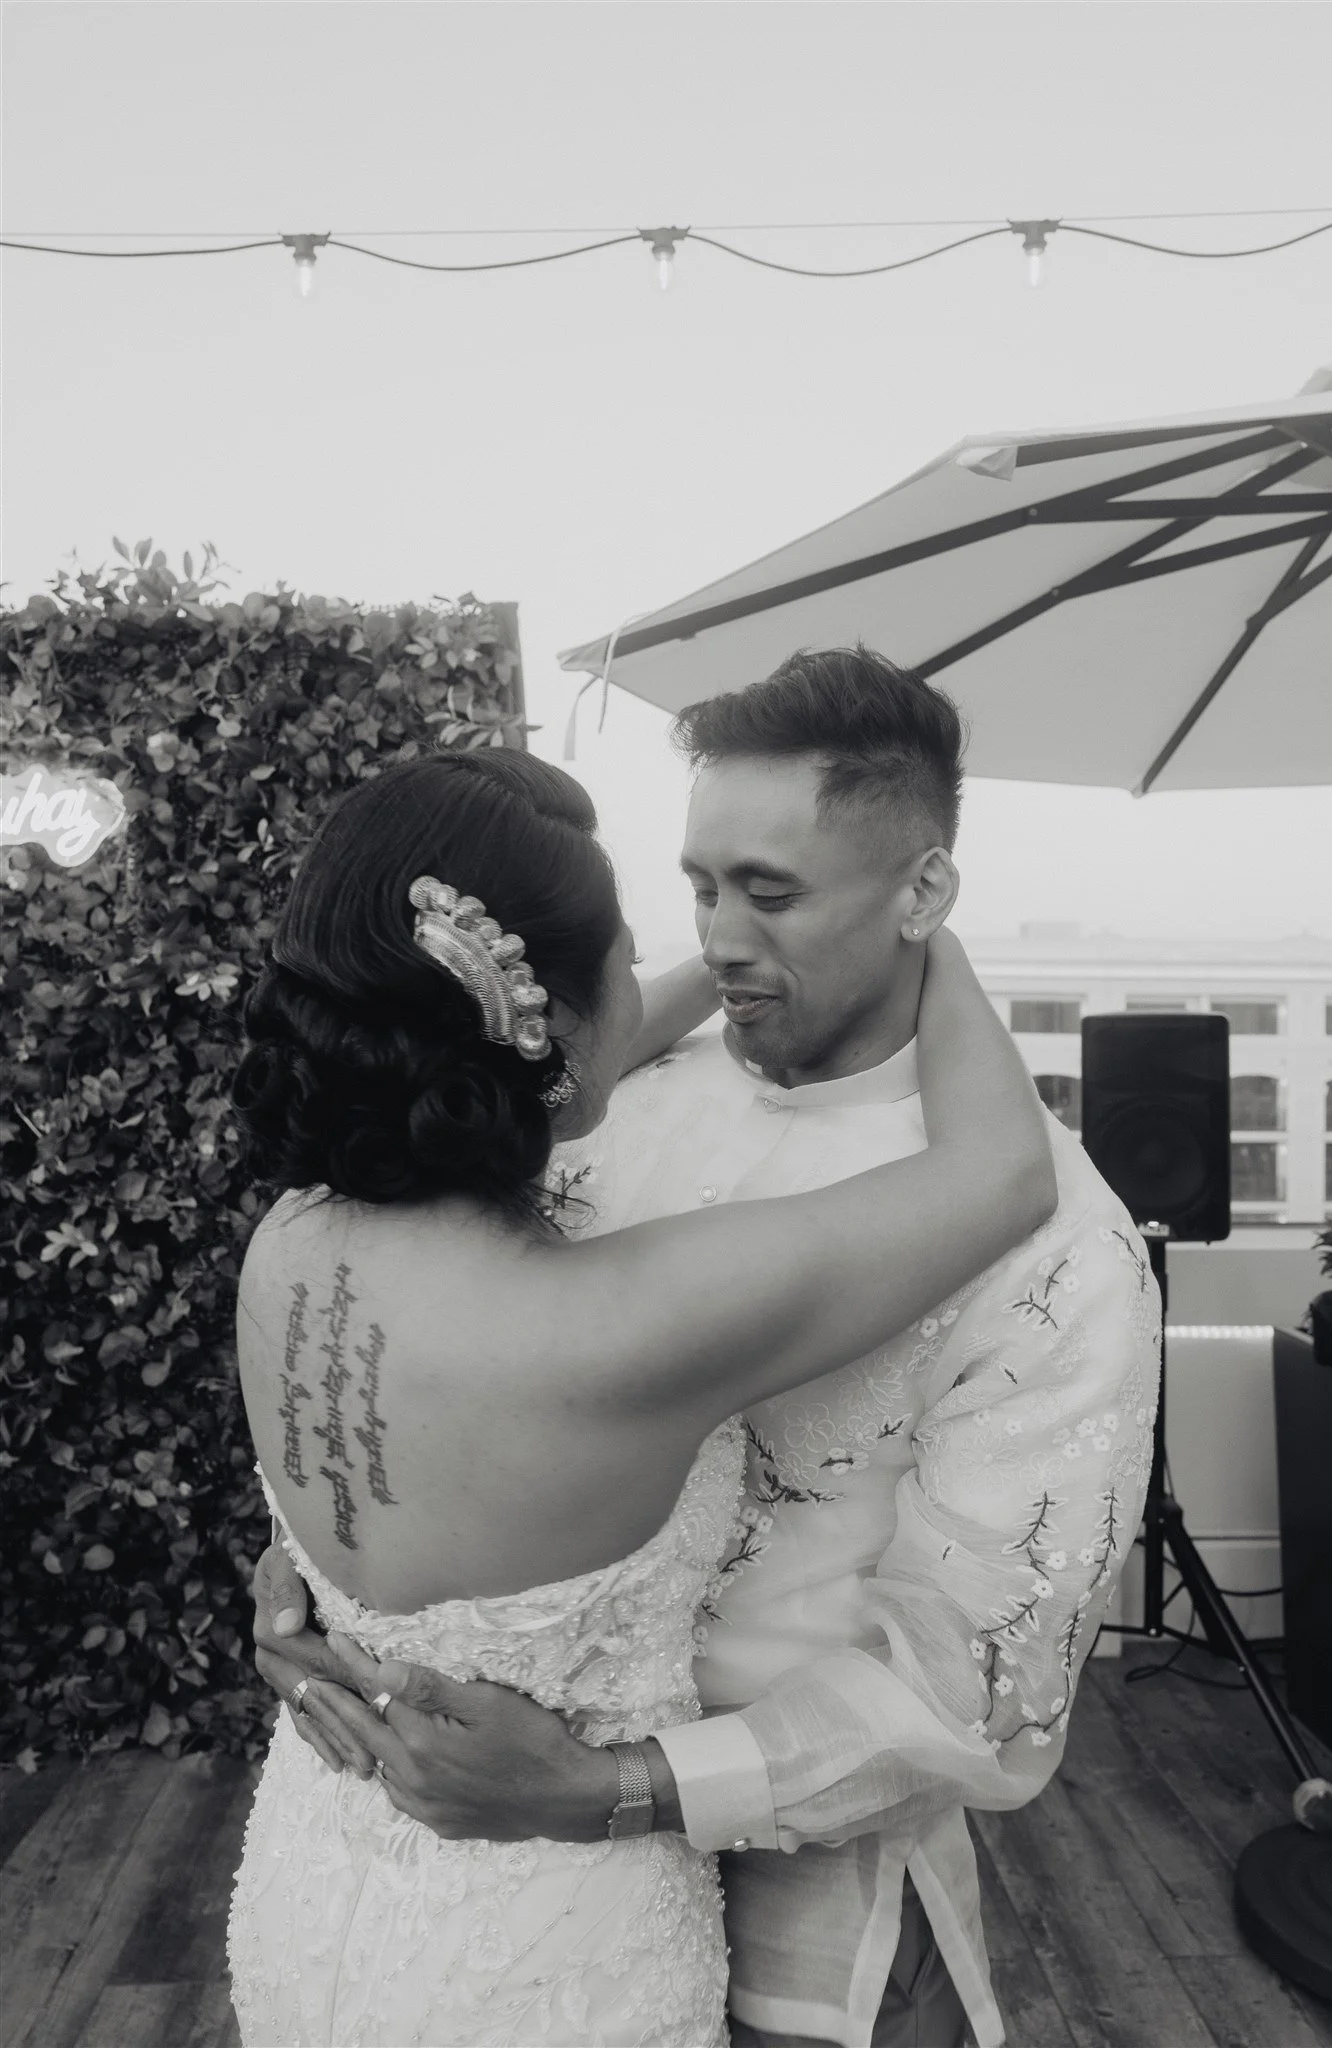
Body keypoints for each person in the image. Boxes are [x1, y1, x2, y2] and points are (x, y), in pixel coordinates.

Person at [253, 652, 1162, 2048]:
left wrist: (598, 1786)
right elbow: (426, 1425)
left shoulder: (1055, 1244)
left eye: (771, 890)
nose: (724, 940)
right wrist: (343, 1592)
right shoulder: (586, 1106)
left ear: (922, 891)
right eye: (697, 889)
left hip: (805, 1926)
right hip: (490, 1873)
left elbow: (973, 1692)